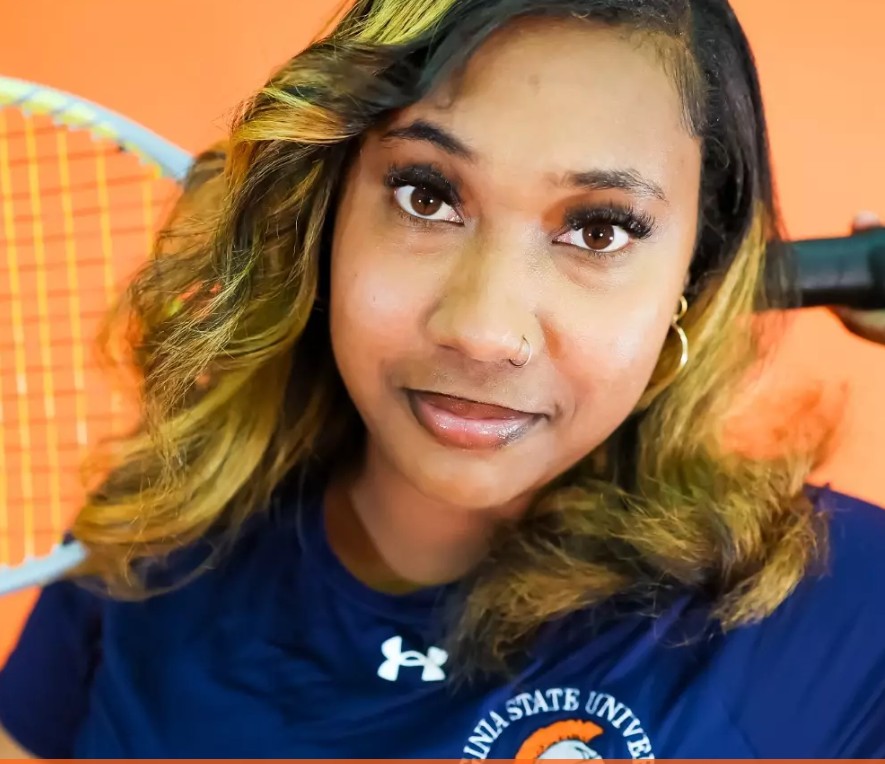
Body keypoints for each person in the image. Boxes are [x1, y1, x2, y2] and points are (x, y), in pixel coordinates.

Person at [1, 0, 884, 757]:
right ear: (325, 214)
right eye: (425, 196)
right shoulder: (157, 534)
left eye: (600, 230)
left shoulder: (828, 602)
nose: (483, 331)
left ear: (694, 271)